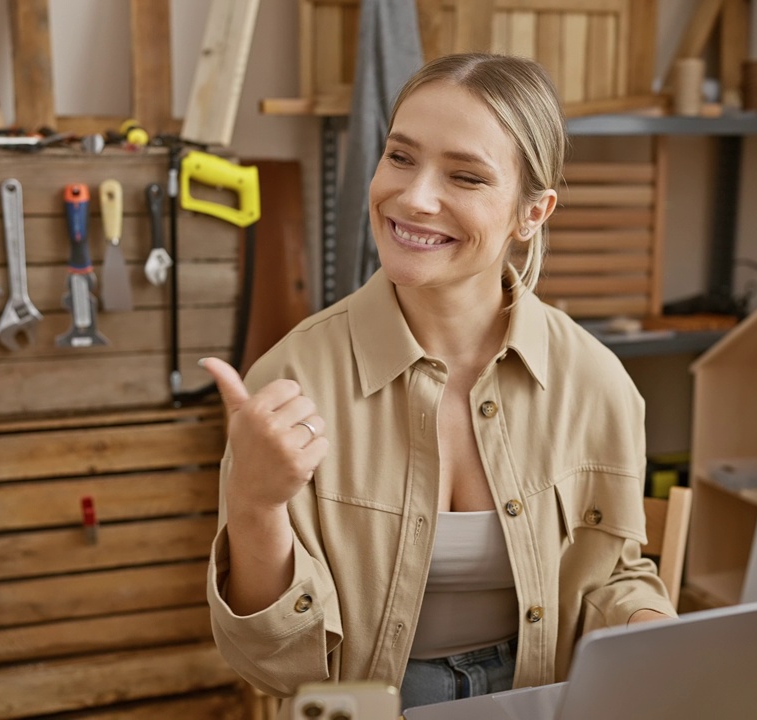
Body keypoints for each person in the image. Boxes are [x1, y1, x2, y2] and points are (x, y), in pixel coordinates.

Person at [202, 52, 676, 712]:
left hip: (540, 698)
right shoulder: (292, 380)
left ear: (531, 213)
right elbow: (270, 665)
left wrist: (657, 638)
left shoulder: (595, 383)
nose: (415, 197)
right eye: (400, 157)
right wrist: (254, 507)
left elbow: (613, 579)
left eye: (465, 176)